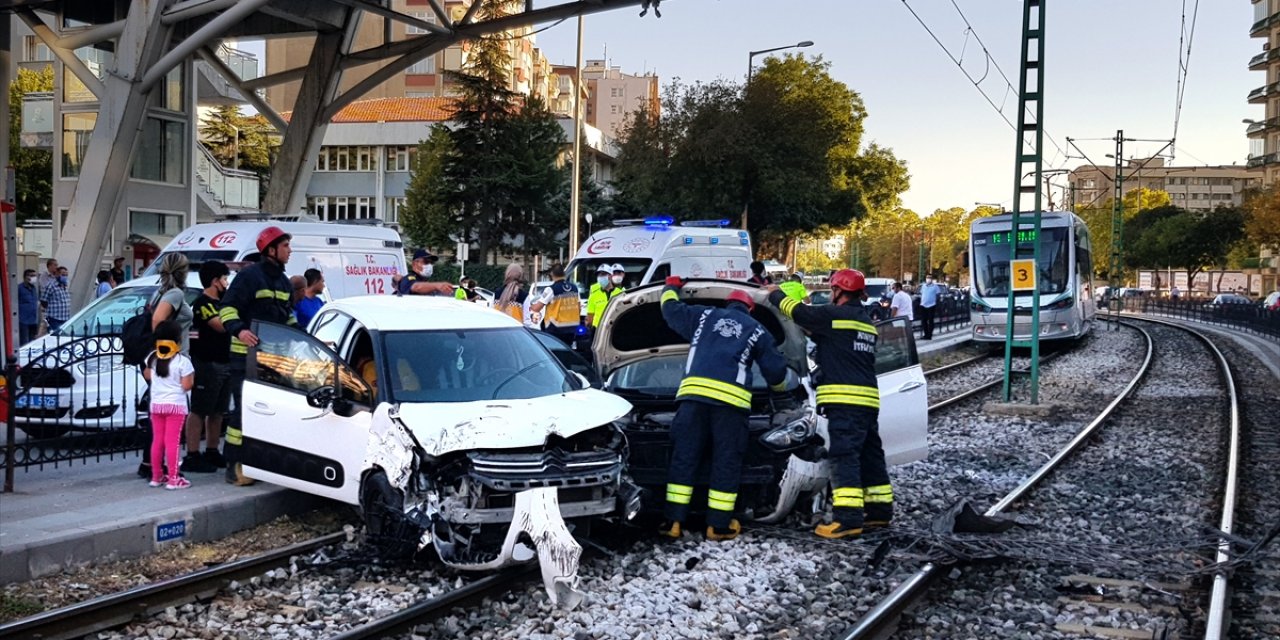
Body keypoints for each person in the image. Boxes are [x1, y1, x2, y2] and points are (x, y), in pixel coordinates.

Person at [658, 277, 788, 541]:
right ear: (750, 309)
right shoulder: (757, 330)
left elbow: (669, 310)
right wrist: (779, 392)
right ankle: (717, 527)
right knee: (725, 462)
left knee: (684, 458)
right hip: (731, 407)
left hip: (693, 401)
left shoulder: (704, 316)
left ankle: (673, 522)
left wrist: (670, 287)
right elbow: (776, 373)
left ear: (727, 305)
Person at [768, 269, 891, 538]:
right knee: (870, 456)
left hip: (845, 401)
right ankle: (879, 513)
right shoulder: (864, 322)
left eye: (833, 290)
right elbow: (829, 339)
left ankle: (848, 520)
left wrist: (774, 294)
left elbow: (800, 313)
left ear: (838, 291)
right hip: (868, 400)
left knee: (844, 456)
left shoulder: (835, 315)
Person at [219, 226, 298, 486]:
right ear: (271, 250)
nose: (290, 250)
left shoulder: (284, 282)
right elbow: (227, 309)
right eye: (285, 246)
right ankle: (234, 465)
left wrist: (303, 338)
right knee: (243, 412)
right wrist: (239, 331)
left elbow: (287, 317)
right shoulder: (249, 277)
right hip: (244, 357)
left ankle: (259, 462)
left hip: (271, 359)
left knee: (267, 413)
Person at [138, 253, 193, 479]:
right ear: (183, 271)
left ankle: (152, 466)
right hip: (171, 363)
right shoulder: (175, 294)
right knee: (171, 421)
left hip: (162, 361)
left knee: (158, 416)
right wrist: (167, 351)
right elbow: (157, 321)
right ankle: (167, 471)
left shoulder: (159, 292)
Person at [183, 261, 232, 474]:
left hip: (225, 362)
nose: (227, 283)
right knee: (199, 409)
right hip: (207, 364)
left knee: (218, 410)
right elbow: (221, 326)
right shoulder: (203, 303)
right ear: (215, 281)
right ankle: (193, 454)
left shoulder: (225, 301)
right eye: (224, 279)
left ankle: (212, 450)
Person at [143, 320, 195, 490]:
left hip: (156, 405)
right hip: (175, 406)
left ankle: (156, 476)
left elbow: (148, 375)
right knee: (172, 442)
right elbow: (187, 385)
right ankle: (174, 478)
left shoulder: (152, 358)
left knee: (157, 441)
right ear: (178, 340)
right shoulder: (182, 361)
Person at [531, 264, 582, 347]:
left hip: (555, 329)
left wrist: (530, 306)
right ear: (564, 273)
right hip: (572, 329)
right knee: (567, 352)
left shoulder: (551, 289)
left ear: (552, 274)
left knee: (555, 354)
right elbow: (578, 307)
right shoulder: (574, 288)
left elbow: (537, 308)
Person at [586, 263, 623, 329]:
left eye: (603, 274)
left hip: (615, 328)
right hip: (598, 330)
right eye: (599, 275)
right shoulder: (594, 295)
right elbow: (590, 317)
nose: (600, 277)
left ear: (610, 276)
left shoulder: (620, 293)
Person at [40, 267, 71, 333]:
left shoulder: (65, 286)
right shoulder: (50, 286)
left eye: (66, 275)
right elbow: (43, 300)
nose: (65, 277)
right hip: (54, 318)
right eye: (63, 275)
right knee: (56, 337)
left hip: (65, 318)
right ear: (56, 274)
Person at [18, 269, 39, 346]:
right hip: (23, 321)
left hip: (33, 320)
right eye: (32, 275)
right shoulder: (19, 288)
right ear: (26, 277)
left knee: (32, 342)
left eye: (35, 276)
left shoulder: (34, 288)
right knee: (24, 342)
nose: (34, 278)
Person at [918, 274, 941, 340]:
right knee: (924, 321)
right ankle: (925, 334)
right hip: (923, 305)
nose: (928, 279)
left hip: (931, 305)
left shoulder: (935, 286)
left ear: (932, 279)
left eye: (930, 278)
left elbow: (938, 295)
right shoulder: (923, 286)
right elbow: (922, 294)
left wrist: (936, 302)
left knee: (930, 320)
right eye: (927, 277)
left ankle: (929, 335)